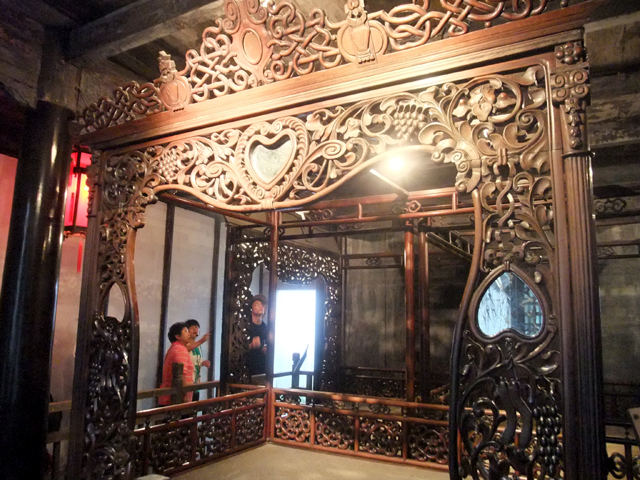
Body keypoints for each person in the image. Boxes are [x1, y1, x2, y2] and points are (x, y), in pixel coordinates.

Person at [158, 322, 195, 406]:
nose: (189, 333)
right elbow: (181, 374)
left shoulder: (175, 347)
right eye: (185, 331)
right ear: (177, 336)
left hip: (171, 397)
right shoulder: (180, 349)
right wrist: (185, 396)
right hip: (176, 399)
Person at [185, 319, 211, 401]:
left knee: (195, 405)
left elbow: (196, 362)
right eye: (192, 328)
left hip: (196, 383)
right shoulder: (185, 345)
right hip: (187, 383)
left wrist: (203, 363)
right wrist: (202, 340)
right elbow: (187, 349)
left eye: (196, 327)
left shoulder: (199, 347)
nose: (195, 330)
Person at [247, 294, 268, 381]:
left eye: (262, 305)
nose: (261, 306)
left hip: (262, 369)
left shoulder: (266, 328)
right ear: (251, 308)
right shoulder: (245, 326)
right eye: (257, 304)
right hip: (247, 369)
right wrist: (251, 345)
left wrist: (267, 350)